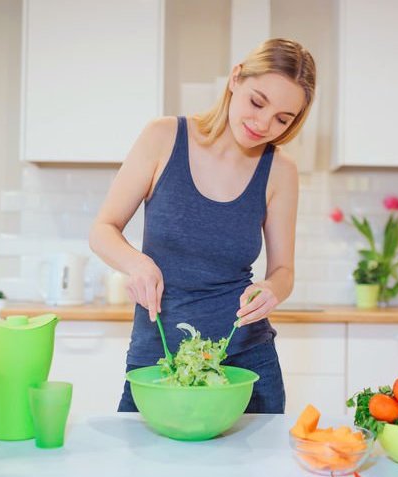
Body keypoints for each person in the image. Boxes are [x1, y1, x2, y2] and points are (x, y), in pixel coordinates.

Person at [89, 38, 316, 414]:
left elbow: (283, 270)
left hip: (246, 360)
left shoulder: (280, 171)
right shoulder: (163, 137)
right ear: (235, 79)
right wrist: (137, 263)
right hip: (157, 359)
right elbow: (103, 229)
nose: (263, 124)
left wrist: (272, 289)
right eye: (258, 102)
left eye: (283, 119)